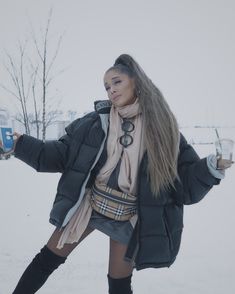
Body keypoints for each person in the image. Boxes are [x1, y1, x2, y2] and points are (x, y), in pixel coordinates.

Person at [2, 54, 233, 294]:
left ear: (137, 82)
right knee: (47, 259)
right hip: (89, 207)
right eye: (106, 86)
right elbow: (59, 154)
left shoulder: (163, 131)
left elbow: (184, 182)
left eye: (116, 82)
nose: (111, 90)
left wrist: (212, 166)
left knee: (119, 284)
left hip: (128, 215)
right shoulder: (94, 123)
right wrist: (20, 144)